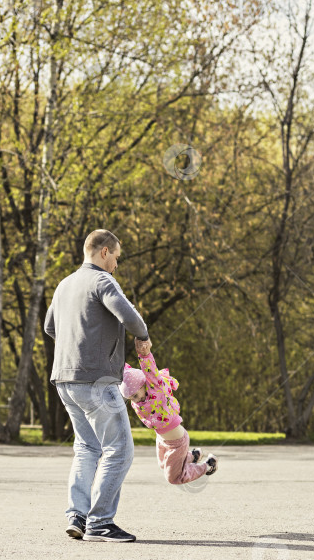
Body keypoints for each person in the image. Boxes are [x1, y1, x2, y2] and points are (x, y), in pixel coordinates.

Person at [44, 229, 149, 543]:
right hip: (96, 380)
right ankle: (101, 523)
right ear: (105, 252)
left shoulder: (64, 284)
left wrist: (77, 348)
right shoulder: (102, 281)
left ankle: (77, 516)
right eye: (116, 256)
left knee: (86, 448)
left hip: (65, 379)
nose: (117, 263)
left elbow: (50, 326)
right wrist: (142, 337)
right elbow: (131, 318)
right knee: (120, 451)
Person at [120, 338, 218, 485]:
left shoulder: (154, 387)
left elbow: (149, 369)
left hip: (177, 442)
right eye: (131, 398)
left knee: (174, 477)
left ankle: (208, 465)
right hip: (161, 438)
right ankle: (193, 455)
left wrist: (144, 354)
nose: (135, 400)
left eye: (135, 395)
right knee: (163, 464)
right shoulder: (137, 402)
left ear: (144, 383)